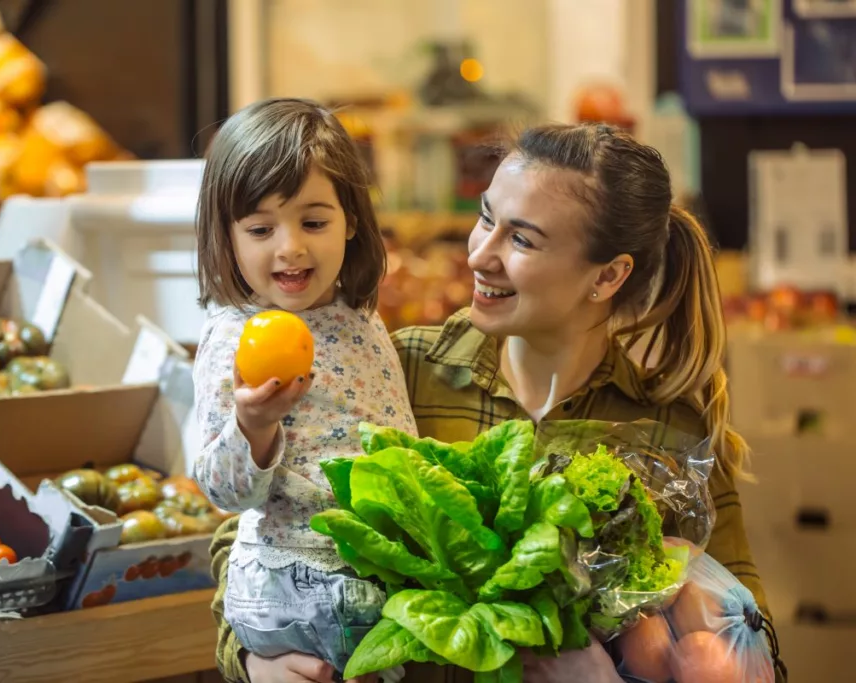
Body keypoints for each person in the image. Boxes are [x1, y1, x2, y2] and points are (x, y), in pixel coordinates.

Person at [207, 122, 787, 683]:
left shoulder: (670, 432)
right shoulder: (404, 369)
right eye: (486, 219)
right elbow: (252, 527)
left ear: (608, 275)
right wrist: (251, 660)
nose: (481, 255)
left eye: (521, 239)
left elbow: (747, 646)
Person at [192, 98, 417, 682]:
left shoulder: (362, 322)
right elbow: (223, 491)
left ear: (353, 224)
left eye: (313, 222)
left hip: (372, 578)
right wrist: (254, 426)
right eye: (261, 229)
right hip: (289, 580)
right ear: (228, 237)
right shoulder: (232, 337)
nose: (289, 247)